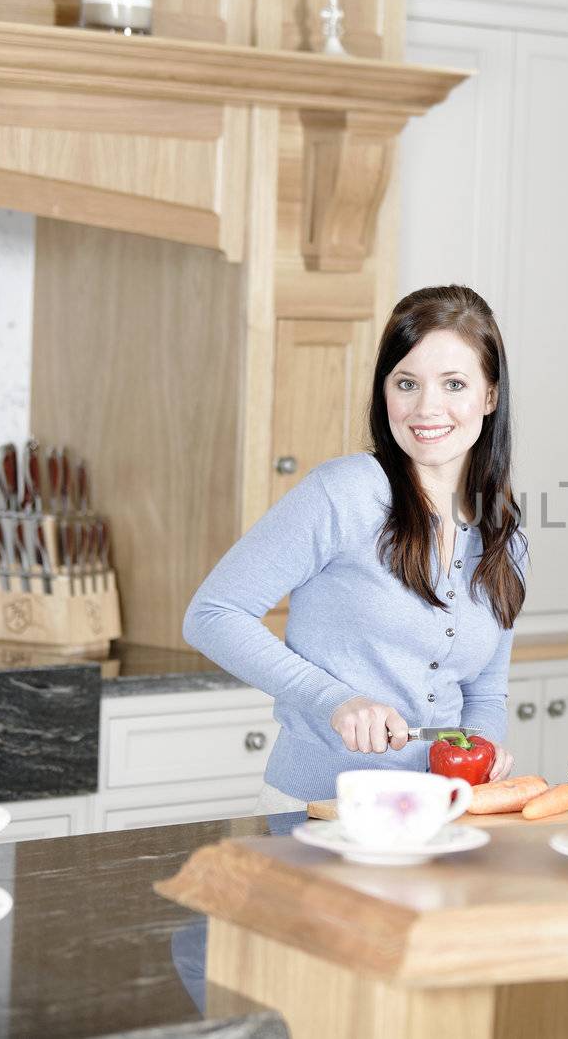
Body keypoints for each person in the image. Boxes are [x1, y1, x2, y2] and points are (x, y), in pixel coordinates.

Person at [183, 284, 528, 813]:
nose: (426, 407)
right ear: (383, 391)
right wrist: (335, 701)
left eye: (454, 384)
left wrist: (483, 747)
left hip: (445, 815)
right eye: (406, 383)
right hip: (318, 811)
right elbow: (212, 614)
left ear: (490, 396)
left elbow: (485, 692)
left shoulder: (504, 532)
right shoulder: (345, 492)